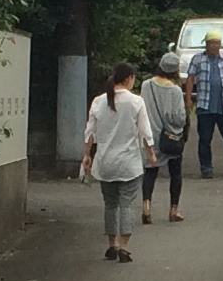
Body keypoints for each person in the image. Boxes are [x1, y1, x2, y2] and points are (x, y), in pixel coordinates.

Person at [79, 65, 157, 261]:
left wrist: (86, 156)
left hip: (105, 162)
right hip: (128, 162)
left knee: (110, 204)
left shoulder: (99, 101)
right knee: (126, 204)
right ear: (129, 78)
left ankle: (111, 244)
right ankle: (124, 246)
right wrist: (151, 154)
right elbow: (145, 132)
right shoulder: (135, 101)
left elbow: (90, 133)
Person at [188, 31, 223, 178]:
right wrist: (188, 98)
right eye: (211, 43)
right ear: (206, 44)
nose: (214, 46)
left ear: (220, 44)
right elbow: (190, 78)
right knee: (205, 139)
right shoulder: (198, 59)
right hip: (205, 106)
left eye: (217, 43)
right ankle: (206, 168)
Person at [140, 63, 189, 222]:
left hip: (150, 135)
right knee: (175, 173)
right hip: (170, 136)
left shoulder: (146, 85)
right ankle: (173, 210)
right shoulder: (175, 90)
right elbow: (179, 118)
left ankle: (146, 206)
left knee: (150, 171)